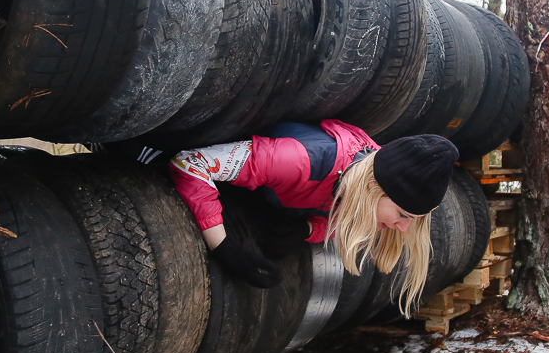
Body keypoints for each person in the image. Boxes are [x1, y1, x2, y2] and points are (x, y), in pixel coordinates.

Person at [168, 119, 459, 317]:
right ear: (373, 188)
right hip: (239, 180)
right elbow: (191, 162)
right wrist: (223, 247)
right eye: (403, 215)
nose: (403, 227)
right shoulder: (298, 161)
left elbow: (344, 218)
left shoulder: (374, 184)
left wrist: (307, 228)